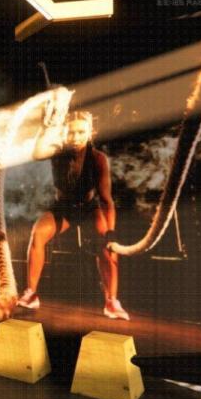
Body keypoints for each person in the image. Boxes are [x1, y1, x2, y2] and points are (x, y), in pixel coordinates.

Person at [17, 110, 129, 320]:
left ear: (90, 132)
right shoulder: (57, 151)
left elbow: (106, 200)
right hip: (63, 208)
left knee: (108, 246)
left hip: (88, 209)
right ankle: (31, 294)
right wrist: (46, 127)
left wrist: (111, 232)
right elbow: (36, 152)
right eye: (71, 132)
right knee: (38, 234)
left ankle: (112, 302)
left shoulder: (98, 159)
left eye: (81, 132)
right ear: (64, 132)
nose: (75, 137)